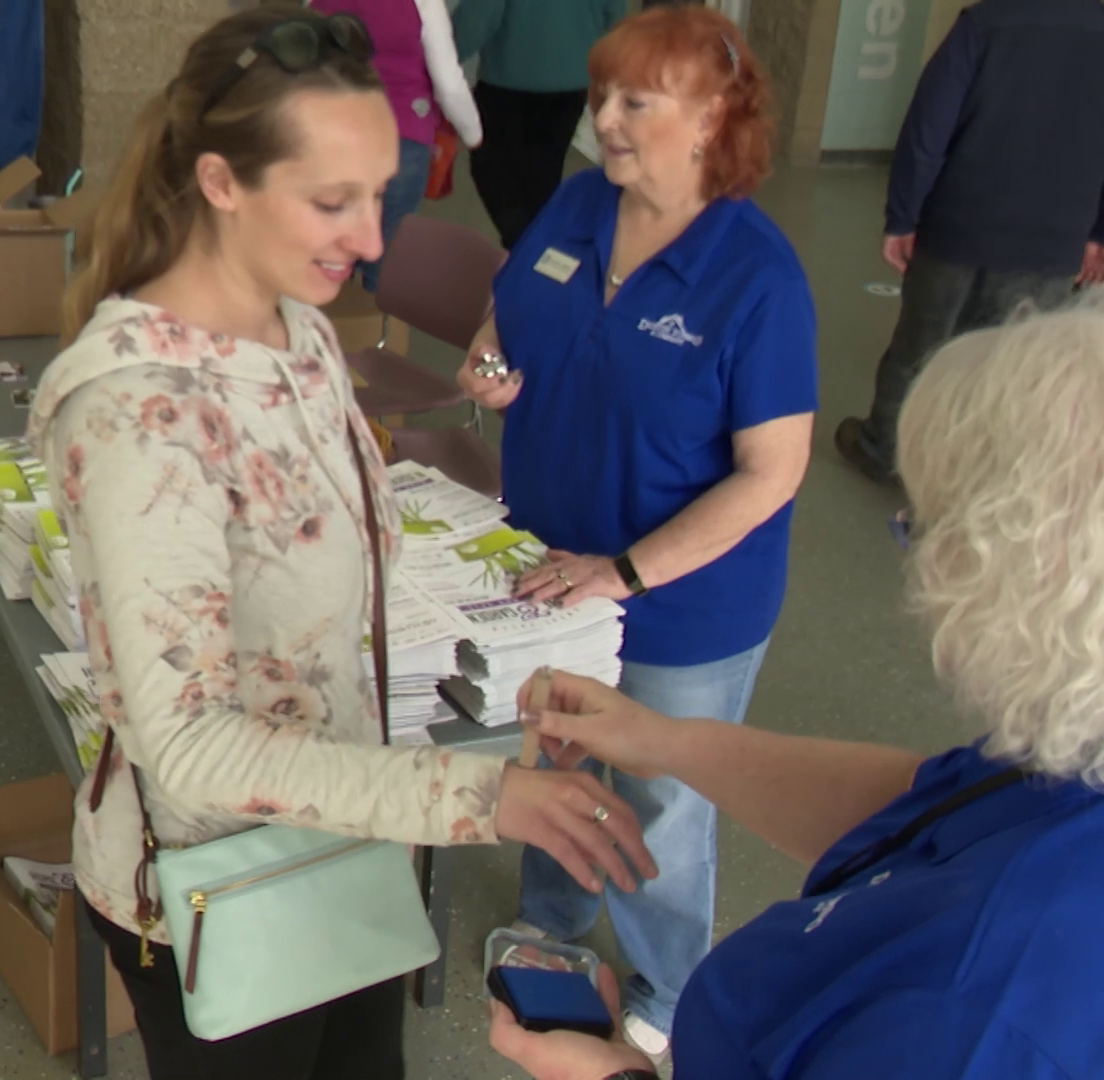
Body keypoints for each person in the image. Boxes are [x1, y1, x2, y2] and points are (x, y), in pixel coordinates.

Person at [24, 8, 655, 1078]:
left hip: (341, 837)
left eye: (379, 191)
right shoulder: (138, 410)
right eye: (332, 202)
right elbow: (191, 747)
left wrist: (504, 711)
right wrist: (481, 796)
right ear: (220, 181)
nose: (371, 238)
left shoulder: (303, 331)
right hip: (213, 888)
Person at [490, 289, 1104, 1080]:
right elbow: (932, 808)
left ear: (1017, 578)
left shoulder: (976, 1020)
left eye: (922, 527)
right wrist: (660, 740)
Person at [455, 5, 816, 1063]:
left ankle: (667, 982)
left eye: (633, 103)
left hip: (682, 601)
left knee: (661, 800)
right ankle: (553, 930)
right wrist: (488, 361)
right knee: (561, 758)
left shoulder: (759, 277)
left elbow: (773, 476)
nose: (603, 120)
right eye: (600, 96)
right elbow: (505, 310)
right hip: (547, 570)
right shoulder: (577, 206)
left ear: (710, 119)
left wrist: (623, 573)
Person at [834, 0, 1104, 485]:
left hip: (956, 227)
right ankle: (977, 472)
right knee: (1012, 362)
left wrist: (903, 215)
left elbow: (928, 129)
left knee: (922, 345)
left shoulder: (984, 26)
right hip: (1053, 243)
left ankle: (885, 450)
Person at [308, 0, 482, 292]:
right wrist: (472, 132)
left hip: (332, 134)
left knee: (330, 239)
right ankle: (380, 327)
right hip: (402, 136)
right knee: (386, 250)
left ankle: (328, 322)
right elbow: (449, 85)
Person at [453, 0, 626, 250]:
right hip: (573, 79)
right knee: (543, 172)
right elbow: (614, 13)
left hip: (510, 80)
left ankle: (525, 249)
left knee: (493, 168)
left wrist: (444, 57)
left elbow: (479, 16)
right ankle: (537, 252)